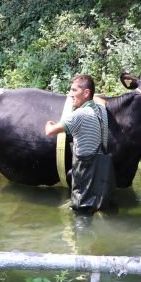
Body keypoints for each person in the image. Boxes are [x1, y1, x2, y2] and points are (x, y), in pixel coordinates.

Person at [45, 75, 112, 213]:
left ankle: (81, 232)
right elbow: (101, 101)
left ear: (86, 93)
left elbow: (50, 132)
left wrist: (48, 123)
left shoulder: (79, 115)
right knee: (97, 205)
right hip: (101, 170)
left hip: (85, 171)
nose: (70, 95)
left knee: (81, 211)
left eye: (74, 90)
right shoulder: (101, 110)